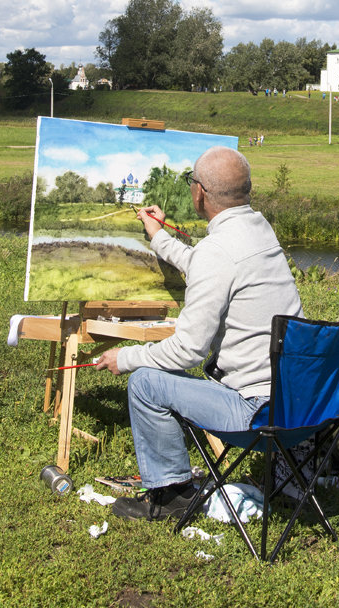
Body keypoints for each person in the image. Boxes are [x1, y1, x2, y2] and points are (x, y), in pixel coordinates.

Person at [93, 146, 303, 521]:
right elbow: (210, 264)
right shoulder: (259, 229)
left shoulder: (218, 250)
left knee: (144, 383)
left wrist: (124, 358)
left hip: (257, 412)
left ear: (200, 193)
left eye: (192, 182)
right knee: (151, 375)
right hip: (301, 404)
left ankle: (172, 495)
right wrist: (158, 237)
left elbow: (188, 351)